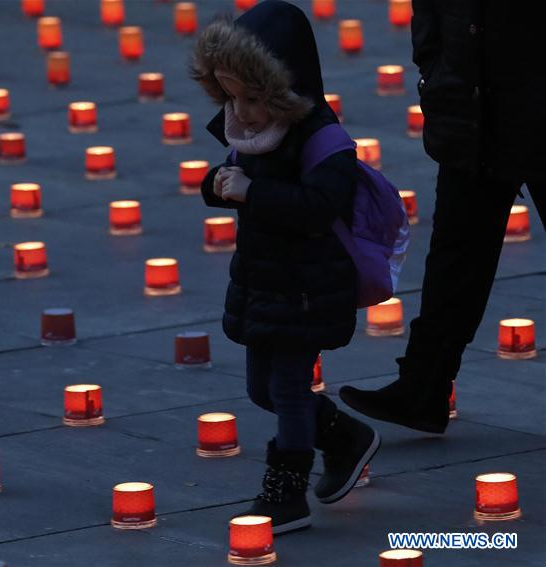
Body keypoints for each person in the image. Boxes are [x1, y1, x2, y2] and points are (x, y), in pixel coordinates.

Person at [190, 1, 379, 534]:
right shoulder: (251, 131)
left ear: (284, 88)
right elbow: (235, 174)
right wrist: (219, 187)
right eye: (230, 96)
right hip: (264, 280)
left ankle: (285, 494)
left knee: (290, 388)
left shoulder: (322, 139)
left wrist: (255, 192)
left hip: (308, 286)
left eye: (253, 98)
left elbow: (319, 207)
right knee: (261, 390)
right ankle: (345, 436)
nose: (242, 110)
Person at [338, 1, 546, 433]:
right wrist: (434, 72)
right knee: (455, 257)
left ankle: (422, 387)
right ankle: (423, 387)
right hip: (472, 112)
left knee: (457, 255)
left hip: (532, 108)